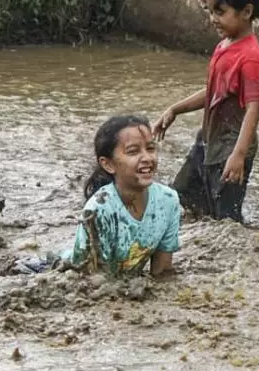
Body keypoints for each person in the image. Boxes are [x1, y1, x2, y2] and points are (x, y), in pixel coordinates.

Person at [154, 0, 259, 223]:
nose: (213, 19)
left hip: (230, 146)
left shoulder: (249, 56)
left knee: (227, 219)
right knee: (182, 196)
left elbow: (253, 107)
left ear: (247, 12)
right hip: (207, 140)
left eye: (220, 11)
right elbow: (214, 92)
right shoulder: (225, 45)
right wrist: (175, 109)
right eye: (210, 11)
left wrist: (238, 155)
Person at [16, 115, 181, 277]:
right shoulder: (98, 210)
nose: (147, 158)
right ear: (108, 164)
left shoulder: (168, 200)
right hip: (57, 270)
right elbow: (93, 281)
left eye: (150, 148)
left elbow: (162, 272)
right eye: (133, 152)